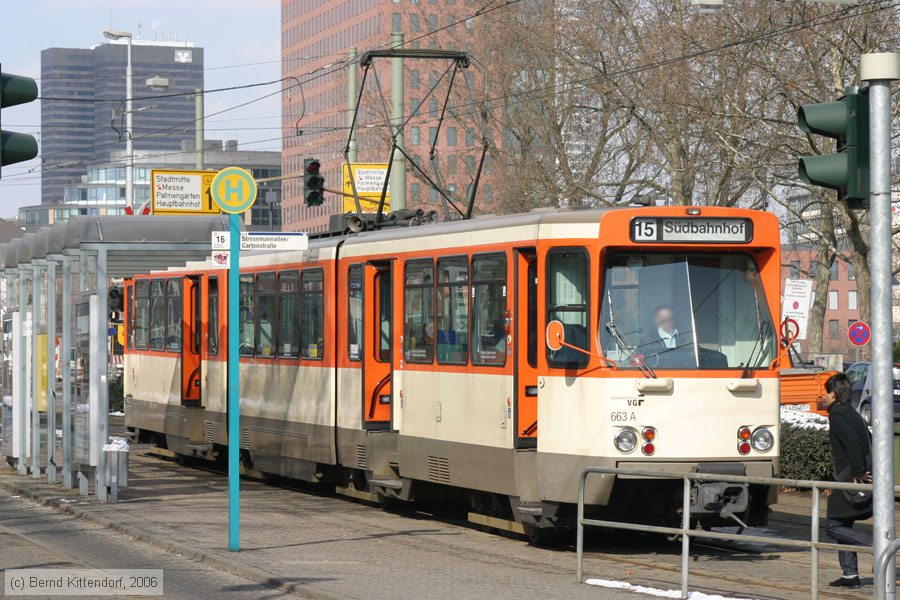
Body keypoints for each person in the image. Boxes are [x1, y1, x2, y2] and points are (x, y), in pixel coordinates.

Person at [824, 372, 873, 589]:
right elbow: (867, 439)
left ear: (833, 395)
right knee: (843, 523)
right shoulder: (853, 413)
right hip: (854, 474)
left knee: (833, 526)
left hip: (849, 477)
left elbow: (853, 443)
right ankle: (850, 575)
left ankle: (876, 544)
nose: (823, 397)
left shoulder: (838, 415)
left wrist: (859, 471)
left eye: (825, 393)